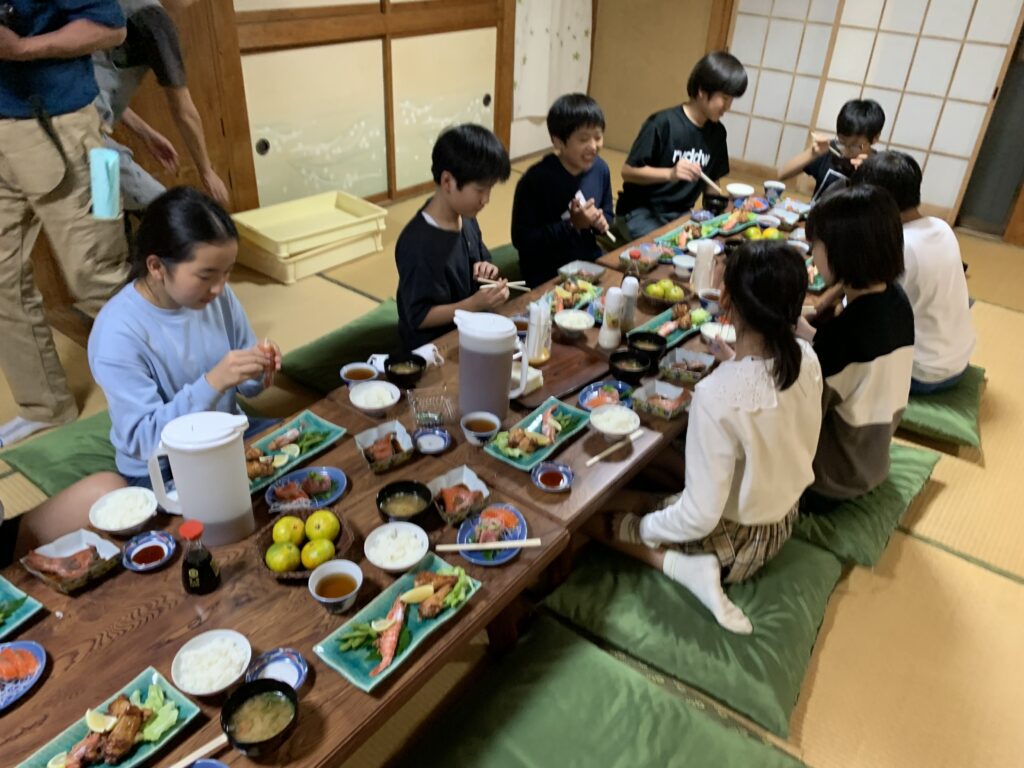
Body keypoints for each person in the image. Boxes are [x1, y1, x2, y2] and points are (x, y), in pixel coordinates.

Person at [12, 187, 280, 555]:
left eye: (227, 272)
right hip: (162, 468)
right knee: (206, 548)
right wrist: (213, 381)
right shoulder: (118, 333)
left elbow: (246, 388)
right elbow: (143, 440)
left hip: (228, 440)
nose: (220, 287)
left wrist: (258, 370)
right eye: (206, 275)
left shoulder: (218, 297)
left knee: (305, 457)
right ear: (156, 267)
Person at [588, 241, 823, 634]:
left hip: (734, 545)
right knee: (645, 482)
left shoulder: (716, 395)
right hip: (781, 523)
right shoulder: (807, 357)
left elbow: (699, 517)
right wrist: (734, 359)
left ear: (726, 300)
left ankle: (686, 568)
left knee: (596, 517)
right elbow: (763, 396)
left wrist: (642, 530)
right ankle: (677, 549)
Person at [0, 0, 130, 447]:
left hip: (67, 128)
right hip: (7, 130)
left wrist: (20, 49)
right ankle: (44, 406)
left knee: (99, 274)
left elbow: (111, 29)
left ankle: (160, 391)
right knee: (2, 282)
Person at [797, 184, 914, 508]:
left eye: (815, 246)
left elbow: (795, 418)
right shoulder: (896, 301)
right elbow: (852, 367)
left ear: (842, 251)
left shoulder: (844, 337)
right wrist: (808, 335)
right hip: (870, 459)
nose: (812, 255)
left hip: (829, 481)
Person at [852, 151, 975, 393]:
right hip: (957, 359)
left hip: (922, 373)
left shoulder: (900, 247)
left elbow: (864, 313)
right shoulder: (941, 227)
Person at [93, 0, 229, 210]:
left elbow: (96, 89)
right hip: (85, 139)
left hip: (72, 133)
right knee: (167, 211)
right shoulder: (154, 18)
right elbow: (184, 111)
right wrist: (207, 171)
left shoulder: (120, 6)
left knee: (105, 212)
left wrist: (146, 133)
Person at [395, 123, 512, 350]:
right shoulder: (417, 243)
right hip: (434, 347)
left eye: (490, 189)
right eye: (480, 190)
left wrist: (485, 269)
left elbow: (479, 259)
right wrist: (474, 304)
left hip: (469, 330)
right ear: (448, 182)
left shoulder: (465, 216)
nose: (486, 200)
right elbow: (419, 317)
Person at [615, 51, 747, 240]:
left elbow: (712, 182)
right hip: (640, 213)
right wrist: (671, 173)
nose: (729, 106)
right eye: (725, 98)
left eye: (732, 99)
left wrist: (719, 211)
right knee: (669, 249)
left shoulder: (717, 133)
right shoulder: (663, 123)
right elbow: (628, 172)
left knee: (715, 244)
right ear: (702, 90)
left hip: (681, 215)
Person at [511, 93, 613, 287]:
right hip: (547, 272)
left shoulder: (601, 169)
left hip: (588, 262)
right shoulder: (535, 180)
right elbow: (522, 241)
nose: (593, 146)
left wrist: (599, 221)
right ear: (558, 142)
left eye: (598, 137)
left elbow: (608, 213)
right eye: (583, 139)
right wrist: (571, 225)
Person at [777, 99, 884, 199]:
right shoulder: (831, 150)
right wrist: (812, 154)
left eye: (855, 146)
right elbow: (782, 174)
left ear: (875, 138)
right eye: (842, 142)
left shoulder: (879, 166)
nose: (846, 150)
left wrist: (867, 174)